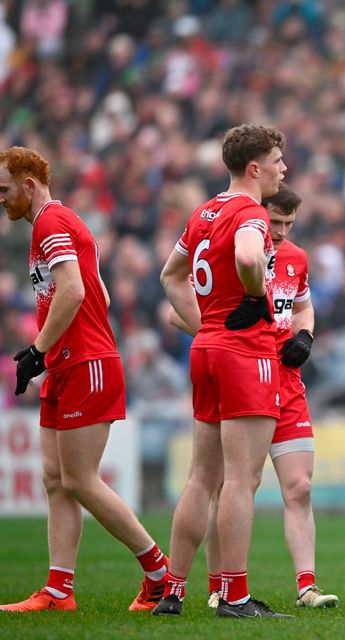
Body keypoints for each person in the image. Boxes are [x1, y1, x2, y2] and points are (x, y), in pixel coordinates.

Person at [0, 146, 168, 613]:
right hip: (70, 362)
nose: (1, 198)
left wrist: (38, 349)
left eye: (4, 189)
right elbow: (101, 293)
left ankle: (160, 574)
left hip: (84, 363)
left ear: (28, 185)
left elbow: (73, 291)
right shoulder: (58, 223)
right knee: (56, 479)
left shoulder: (52, 223)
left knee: (78, 478)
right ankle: (57, 592)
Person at [168, 184, 339, 610]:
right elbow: (177, 310)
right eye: (275, 222)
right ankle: (220, 589)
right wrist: (228, 338)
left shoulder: (296, 258)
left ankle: (306, 586)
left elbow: (303, 307)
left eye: (288, 224)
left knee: (298, 486)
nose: (280, 232)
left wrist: (306, 335)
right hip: (245, 368)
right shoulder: (236, 244)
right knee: (229, 483)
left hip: (286, 382)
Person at [152, 124, 290, 619]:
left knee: (199, 478)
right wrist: (255, 298)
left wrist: (205, 324)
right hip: (244, 353)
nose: (283, 168)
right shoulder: (251, 213)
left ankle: (173, 589)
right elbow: (250, 254)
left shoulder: (204, 211)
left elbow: (170, 276)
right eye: (277, 159)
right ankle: (234, 595)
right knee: (240, 479)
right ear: (254, 167)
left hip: (207, 348)